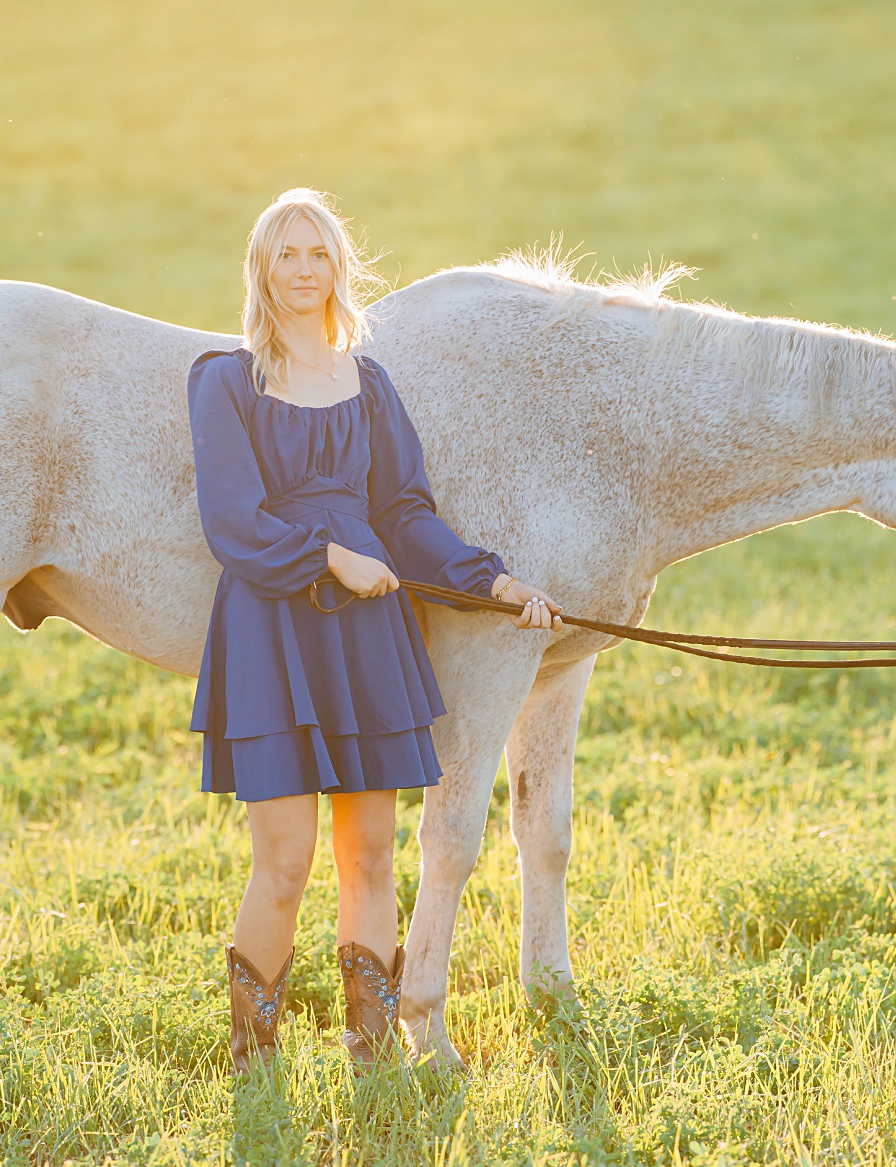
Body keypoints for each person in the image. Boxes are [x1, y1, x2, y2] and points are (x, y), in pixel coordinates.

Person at [187, 189, 560, 1074]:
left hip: (367, 641)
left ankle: (373, 1053)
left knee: (373, 853)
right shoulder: (225, 381)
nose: (304, 269)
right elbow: (231, 523)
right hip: (274, 634)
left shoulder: (372, 385)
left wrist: (491, 579)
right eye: (287, 254)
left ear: (338, 269)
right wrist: (331, 557)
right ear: (262, 269)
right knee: (284, 859)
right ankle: (254, 1059)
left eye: (318, 253)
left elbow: (403, 513)